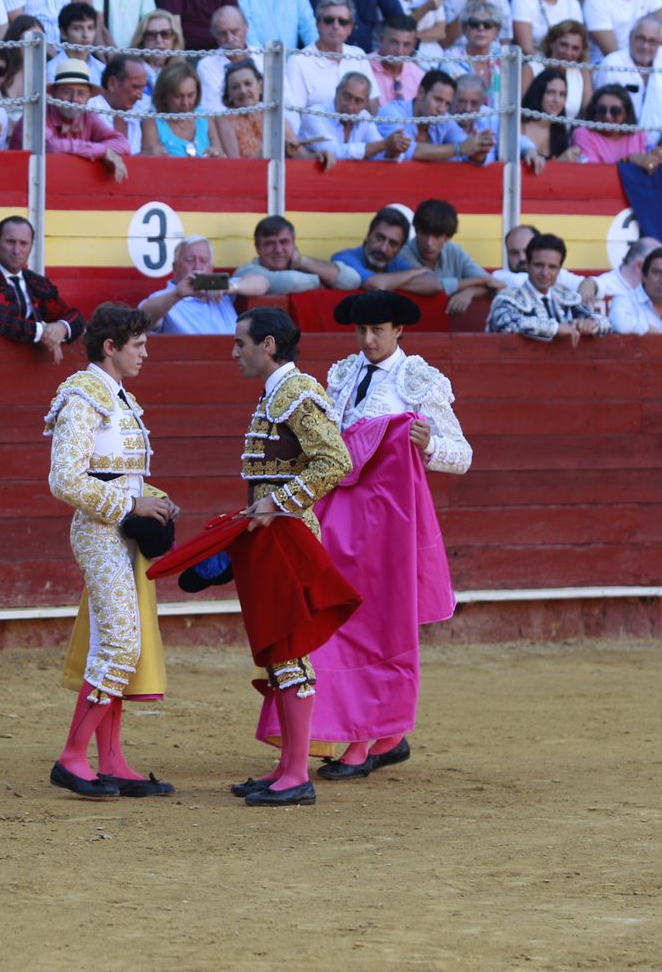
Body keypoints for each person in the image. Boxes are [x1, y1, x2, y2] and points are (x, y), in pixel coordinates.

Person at [305, 288, 469, 781]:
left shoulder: (418, 379)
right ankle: (371, 732)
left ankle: (375, 737)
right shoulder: (341, 373)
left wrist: (429, 444)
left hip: (389, 529)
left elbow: (462, 454)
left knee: (379, 630)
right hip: (341, 523)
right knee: (342, 626)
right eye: (361, 330)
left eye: (378, 330)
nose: (368, 339)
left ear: (399, 330)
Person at [45, 302, 179, 800]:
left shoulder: (116, 397)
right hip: (100, 532)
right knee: (121, 645)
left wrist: (153, 500)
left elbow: (118, 475)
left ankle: (113, 760)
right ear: (110, 346)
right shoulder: (84, 397)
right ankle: (72, 757)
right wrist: (129, 504)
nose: (145, 353)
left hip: (121, 530)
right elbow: (63, 479)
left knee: (115, 645)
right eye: (138, 344)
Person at [227, 307, 353, 807]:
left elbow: (336, 460)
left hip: (289, 535)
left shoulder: (296, 393)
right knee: (280, 650)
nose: (235, 352)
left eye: (241, 343)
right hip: (272, 534)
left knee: (291, 649)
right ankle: (286, 765)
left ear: (269, 345)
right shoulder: (277, 392)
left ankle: (297, 773)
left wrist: (279, 502)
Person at [0, 215, 84, 359]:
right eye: (10, 242)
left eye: (23, 243)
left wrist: (62, 327)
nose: (17, 250)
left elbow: (74, 316)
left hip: (34, 371)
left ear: (31, 247)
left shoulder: (37, 283)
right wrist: (41, 331)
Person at [10, 56, 130, 177]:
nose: (74, 99)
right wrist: (103, 151)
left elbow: (123, 144)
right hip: (23, 183)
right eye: (67, 92)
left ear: (88, 97)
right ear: (54, 94)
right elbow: (51, 147)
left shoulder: (87, 116)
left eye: (81, 93)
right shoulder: (37, 115)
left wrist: (94, 150)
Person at [486, 232, 611, 342]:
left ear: (559, 270)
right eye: (539, 265)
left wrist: (591, 324)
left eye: (552, 267)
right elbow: (507, 323)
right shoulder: (507, 298)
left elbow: (605, 324)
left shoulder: (566, 298)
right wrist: (555, 328)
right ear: (528, 265)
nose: (545, 273)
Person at [388, 198, 495, 313]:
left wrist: (470, 292)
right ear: (416, 230)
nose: (429, 242)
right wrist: (480, 280)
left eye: (437, 236)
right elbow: (433, 285)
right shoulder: (403, 253)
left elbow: (492, 284)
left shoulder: (454, 250)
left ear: (447, 237)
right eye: (424, 233)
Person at [139, 234, 264, 333]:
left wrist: (231, 287)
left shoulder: (221, 287)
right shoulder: (166, 297)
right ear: (175, 268)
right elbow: (143, 318)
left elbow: (262, 282)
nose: (197, 267)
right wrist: (177, 295)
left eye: (203, 261)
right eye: (189, 260)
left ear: (211, 268)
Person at [375, 68, 493, 162]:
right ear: (421, 92)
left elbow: (466, 146)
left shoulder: (444, 119)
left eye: (447, 104)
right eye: (437, 100)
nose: (441, 109)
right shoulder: (391, 113)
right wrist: (460, 148)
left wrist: (478, 149)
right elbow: (409, 151)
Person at [233, 213, 358, 294]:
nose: (278, 249)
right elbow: (292, 282)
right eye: (269, 243)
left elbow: (353, 280)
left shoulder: (303, 267)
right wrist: (321, 281)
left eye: (284, 242)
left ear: (294, 243)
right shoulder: (246, 272)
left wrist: (303, 261)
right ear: (257, 247)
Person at [284, 0, 368, 113]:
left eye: (343, 21)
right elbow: (293, 115)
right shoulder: (298, 61)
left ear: (351, 28)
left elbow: (371, 104)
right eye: (328, 20)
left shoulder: (359, 55)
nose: (335, 26)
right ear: (317, 24)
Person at [297, 69, 396, 160]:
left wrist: (394, 150)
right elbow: (333, 152)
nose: (351, 106)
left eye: (358, 101)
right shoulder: (315, 115)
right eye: (347, 97)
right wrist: (384, 145)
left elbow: (379, 152)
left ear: (365, 103)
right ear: (337, 92)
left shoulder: (364, 116)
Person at [572, 83, 662, 170]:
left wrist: (659, 157)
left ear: (626, 114)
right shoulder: (583, 134)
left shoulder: (639, 135)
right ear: (594, 111)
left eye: (615, 111)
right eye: (601, 110)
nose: (607, 115)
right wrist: (628, 160)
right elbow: (594, 173)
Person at [331, 206, 426, 291]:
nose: (383, 249)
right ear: (368, 234)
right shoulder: (345, 258)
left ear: (400, 249)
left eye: (393, 244)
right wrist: (413, 273)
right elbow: (376, 285)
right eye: (380, 238)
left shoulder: (395, 263)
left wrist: (389, 283)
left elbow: (433, 283)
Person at [139, 59, 220, 158]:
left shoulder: (205, 118)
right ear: (164, 96)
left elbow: (221, 156)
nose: (185, 103)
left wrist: (216, 153)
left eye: (190, 95)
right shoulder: (151, 123)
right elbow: (149, 163)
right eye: (178, 96)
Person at [520, 67, 580, 166]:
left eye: (562, 94)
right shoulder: (520, 125)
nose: (557, 100)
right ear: (538, 93)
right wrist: (559, 162)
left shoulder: (559, 130)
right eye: (551, 92)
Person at [370, 15, 424, 111]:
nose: (399, 51)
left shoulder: (419, 76)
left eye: (406, 45)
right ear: (381, 39)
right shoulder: (363, 67)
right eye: (394, 42)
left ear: (414, 44)